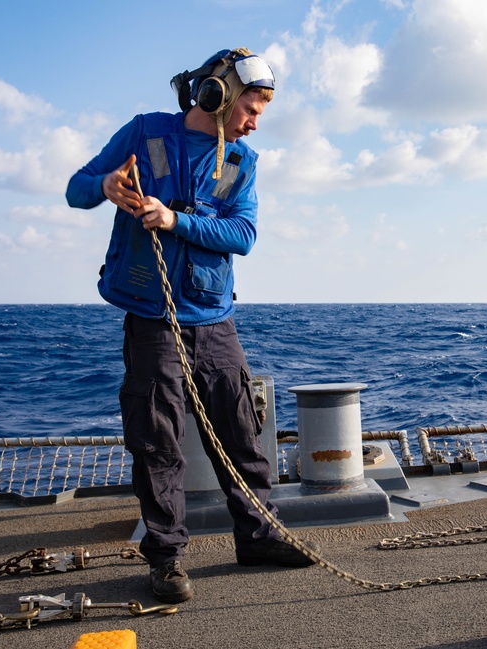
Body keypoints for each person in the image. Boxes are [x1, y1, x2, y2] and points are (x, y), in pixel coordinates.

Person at [66, 47, 315, 604]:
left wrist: (176, 219)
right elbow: (74, 190)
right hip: (152, 322)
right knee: (157, 445)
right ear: (217, 95)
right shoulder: (143, 132)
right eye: (251, 108)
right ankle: (167, 561)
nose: (254, 123)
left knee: (241, 435)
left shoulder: (242, 162)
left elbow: (243, 236)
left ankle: (259, 537)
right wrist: (106, 185)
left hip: (214, 323)